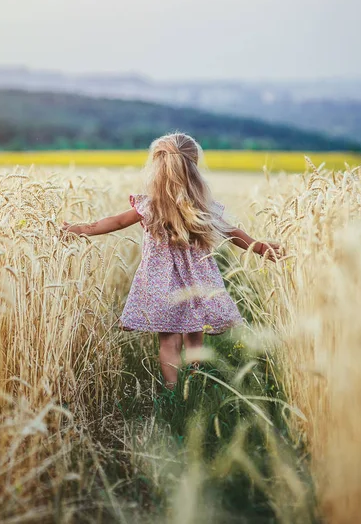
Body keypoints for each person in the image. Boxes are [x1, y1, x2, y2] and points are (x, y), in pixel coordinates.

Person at [61, 133, 283, 389]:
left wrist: (78, 229)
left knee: (167, 339)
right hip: (198, 280)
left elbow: (115, 222)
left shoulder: (149, 206)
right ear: (194, 168)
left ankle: (172, 390)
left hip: (159, 281)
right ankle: (195, 384)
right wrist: (261, 248)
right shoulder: (203, 206)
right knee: (195, 335)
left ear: (157, 168)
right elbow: (233, 233)